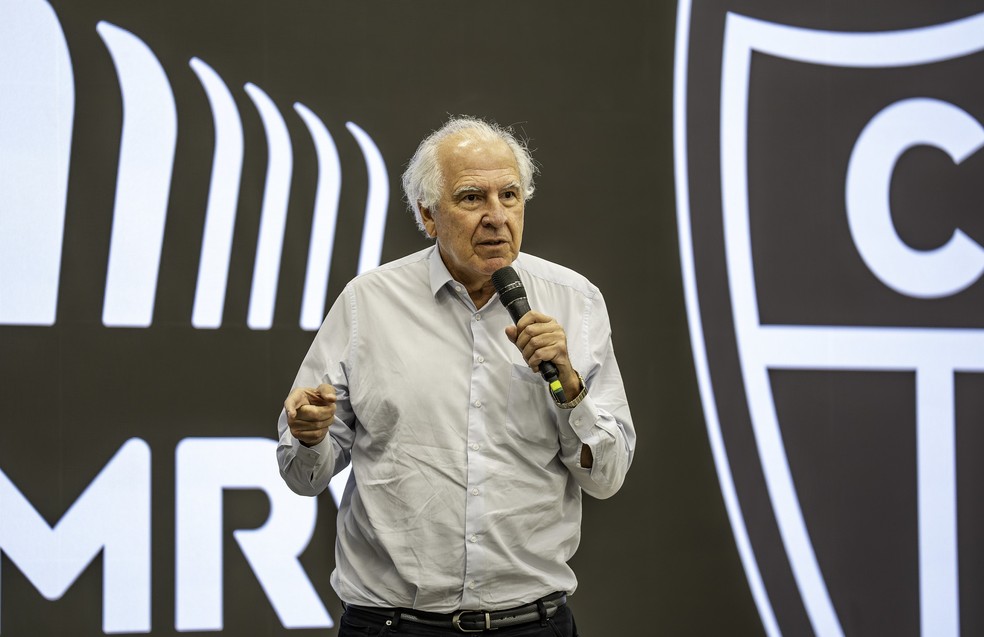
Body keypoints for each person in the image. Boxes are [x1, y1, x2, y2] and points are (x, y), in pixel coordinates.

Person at [276, 116, 635, 636]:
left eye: (509, 195)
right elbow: (301, 476)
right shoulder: (367, 304)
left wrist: (570, 389)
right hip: (393, 625)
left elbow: (606, 476)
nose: (496, 217)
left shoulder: (575, 302)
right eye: (472, 198)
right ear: (428, 215)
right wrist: (310, 436)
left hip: (531, 624)